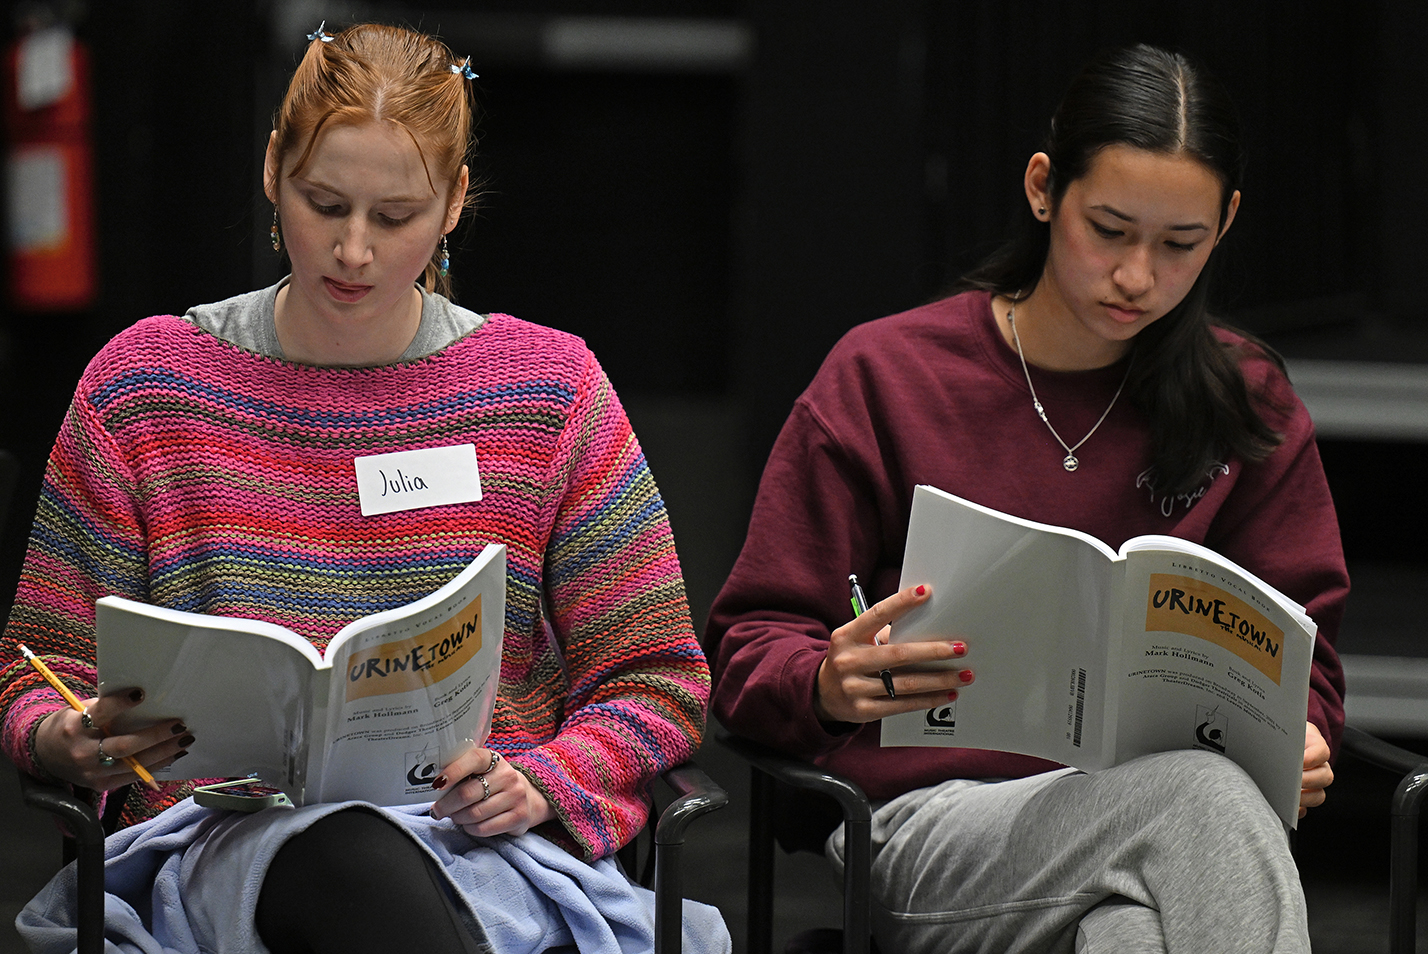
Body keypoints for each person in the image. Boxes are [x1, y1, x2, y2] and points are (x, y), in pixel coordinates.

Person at [0, 22, 725, 954]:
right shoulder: (145, 388)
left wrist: (548, 778)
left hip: (482, 851)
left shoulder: (547, 390)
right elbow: (35, 666)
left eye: (395, 218)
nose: (353, 250)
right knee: (337, 853)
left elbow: (658, 677)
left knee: (373, 871)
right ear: (272, 170)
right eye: (322, 202)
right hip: (221, 846)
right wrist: (68, 739)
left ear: (456, 201)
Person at [706, 43, 1344, 954]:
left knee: (1134, 933)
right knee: (1206, 797)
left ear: (1227, 223)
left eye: (1180, 245)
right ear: (1044, 189)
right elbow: (749, 642)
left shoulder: (1247, 401)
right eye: (1111, 230)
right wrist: (825, 682)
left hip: (1153, 826)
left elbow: (1307, 655)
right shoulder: (889, 375)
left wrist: (1302, 737)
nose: (1137, 277)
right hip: (927, 824)